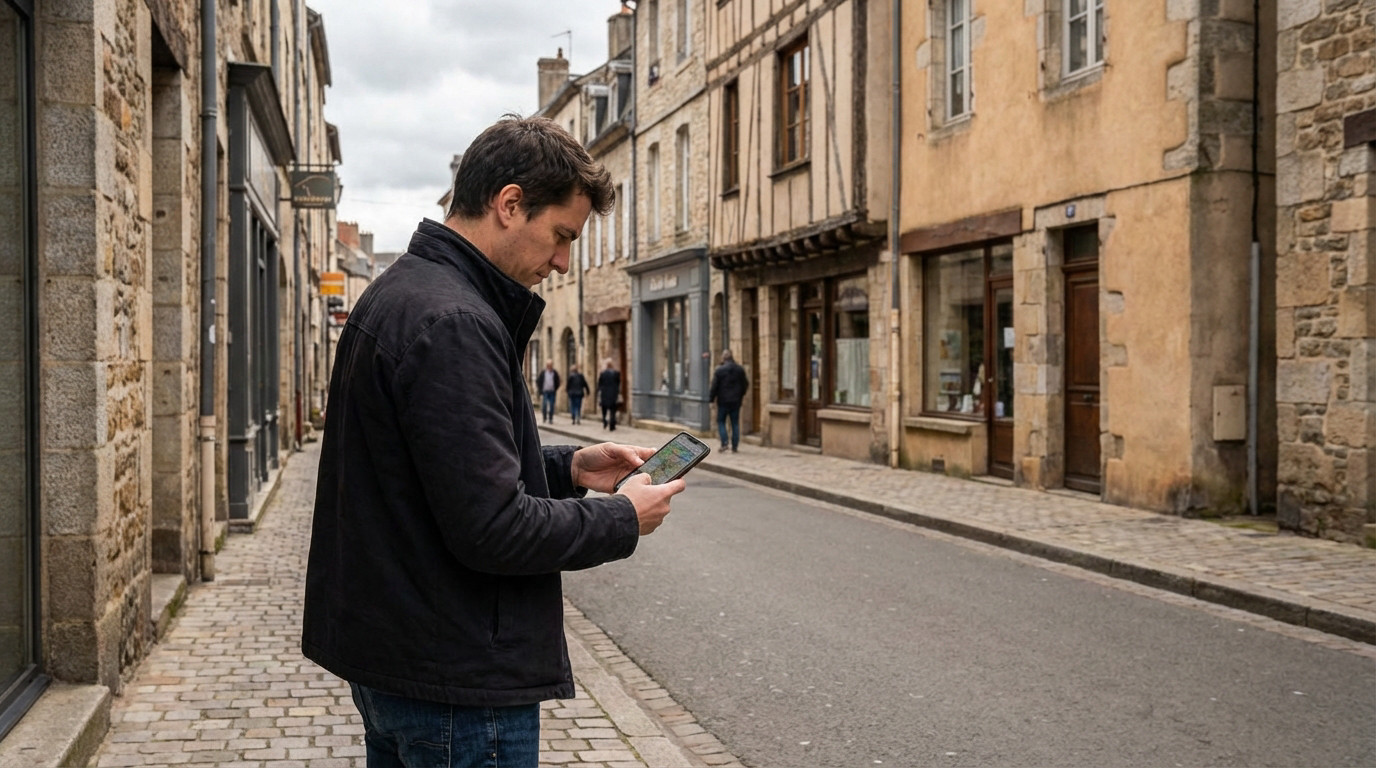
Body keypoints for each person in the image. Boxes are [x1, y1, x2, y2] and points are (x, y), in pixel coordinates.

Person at [302, 114, 686, 768]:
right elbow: (492, 527)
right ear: (509, 205)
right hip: (456, 674)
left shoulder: (404, 293)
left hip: (399, 658)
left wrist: (567, 467)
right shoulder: (455, 320)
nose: (564, 261)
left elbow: (435, 469)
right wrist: (621, 518)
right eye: (561, 236)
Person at [708, 349, 749, 452]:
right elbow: (745, 384)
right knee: (735, 423)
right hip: (736, 401)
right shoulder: (739, 369)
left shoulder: (719, 370)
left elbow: (714, 386)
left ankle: (724, 443)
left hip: (723, 401)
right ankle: (735, 446)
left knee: (721, 422)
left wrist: (711, 400)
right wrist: (741, 395)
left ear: (723, 358)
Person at [597, 358, 621, 431]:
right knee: (612, 410)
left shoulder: (603, 374)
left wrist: (599, 392)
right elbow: (618, 384)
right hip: (613, 394)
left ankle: (604, 420)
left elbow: (599, 384)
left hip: (604, 394)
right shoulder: (616, 373)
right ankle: (612, 425)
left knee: (604, 409)